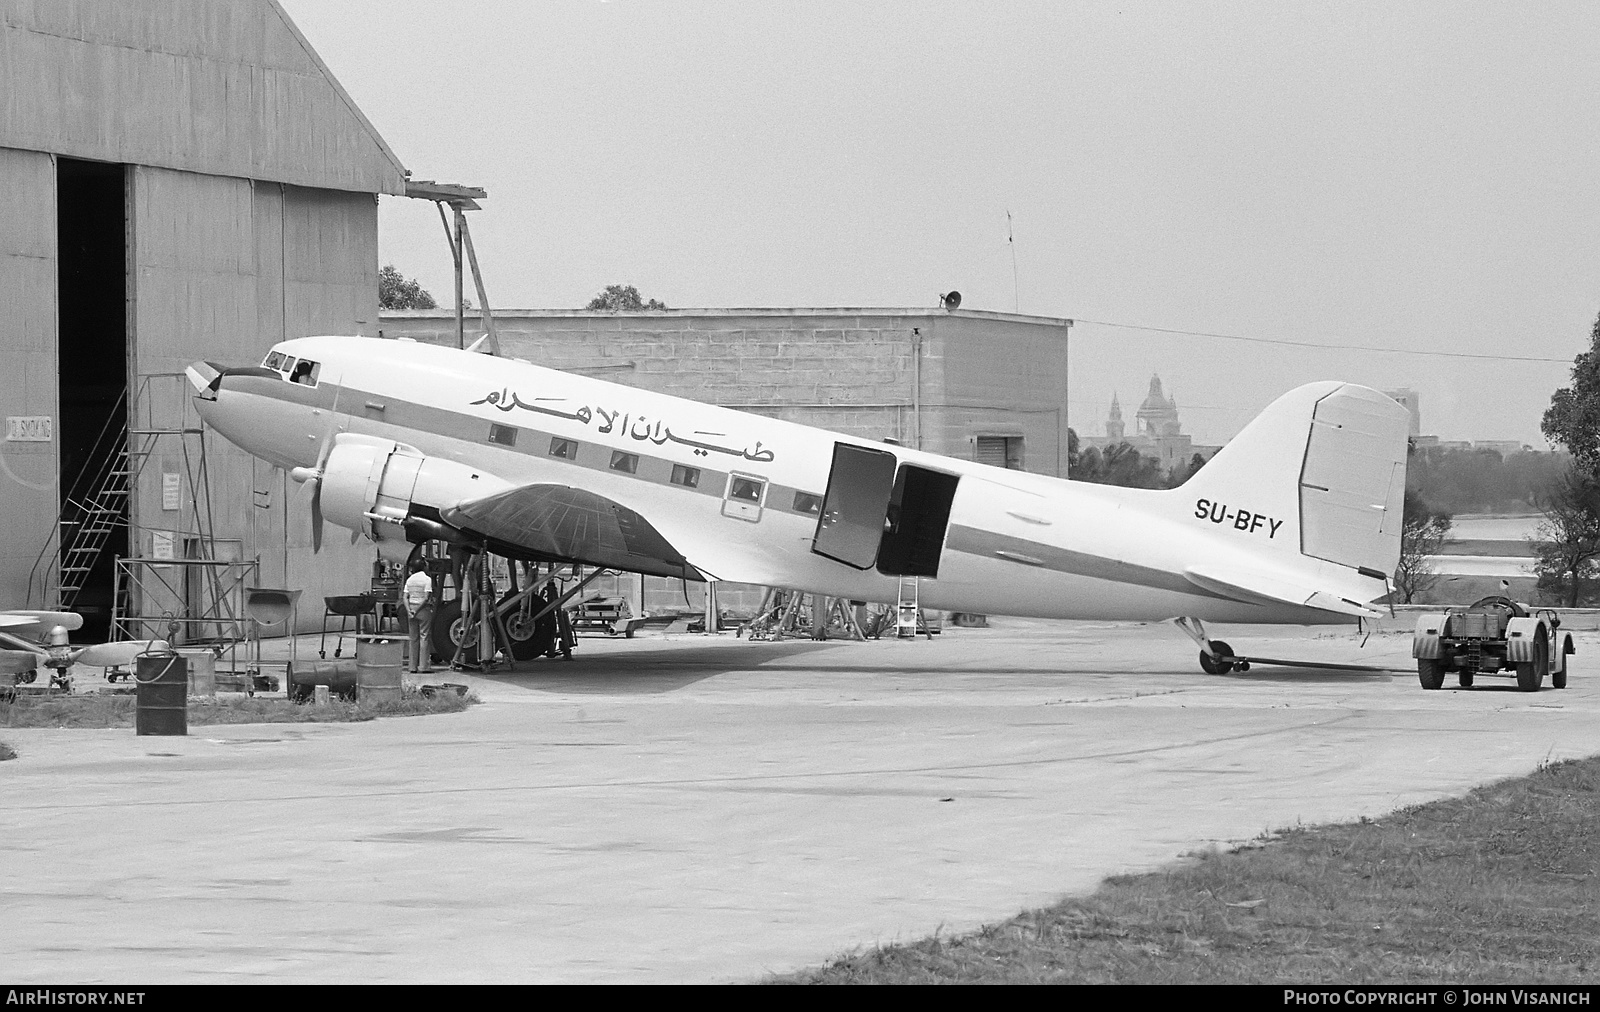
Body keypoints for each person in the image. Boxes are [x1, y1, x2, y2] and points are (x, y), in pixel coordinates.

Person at [403, 560, 435, 674]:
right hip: (423, 610)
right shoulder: (427, 579)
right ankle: (424, 666)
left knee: (413, 638)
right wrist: (417, 610)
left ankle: (412, 667)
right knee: (424, 637)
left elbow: (405, 596)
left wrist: (409, 611)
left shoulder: (409, 580)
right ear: (423, 567)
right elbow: (426, 598)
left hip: (411, 608)